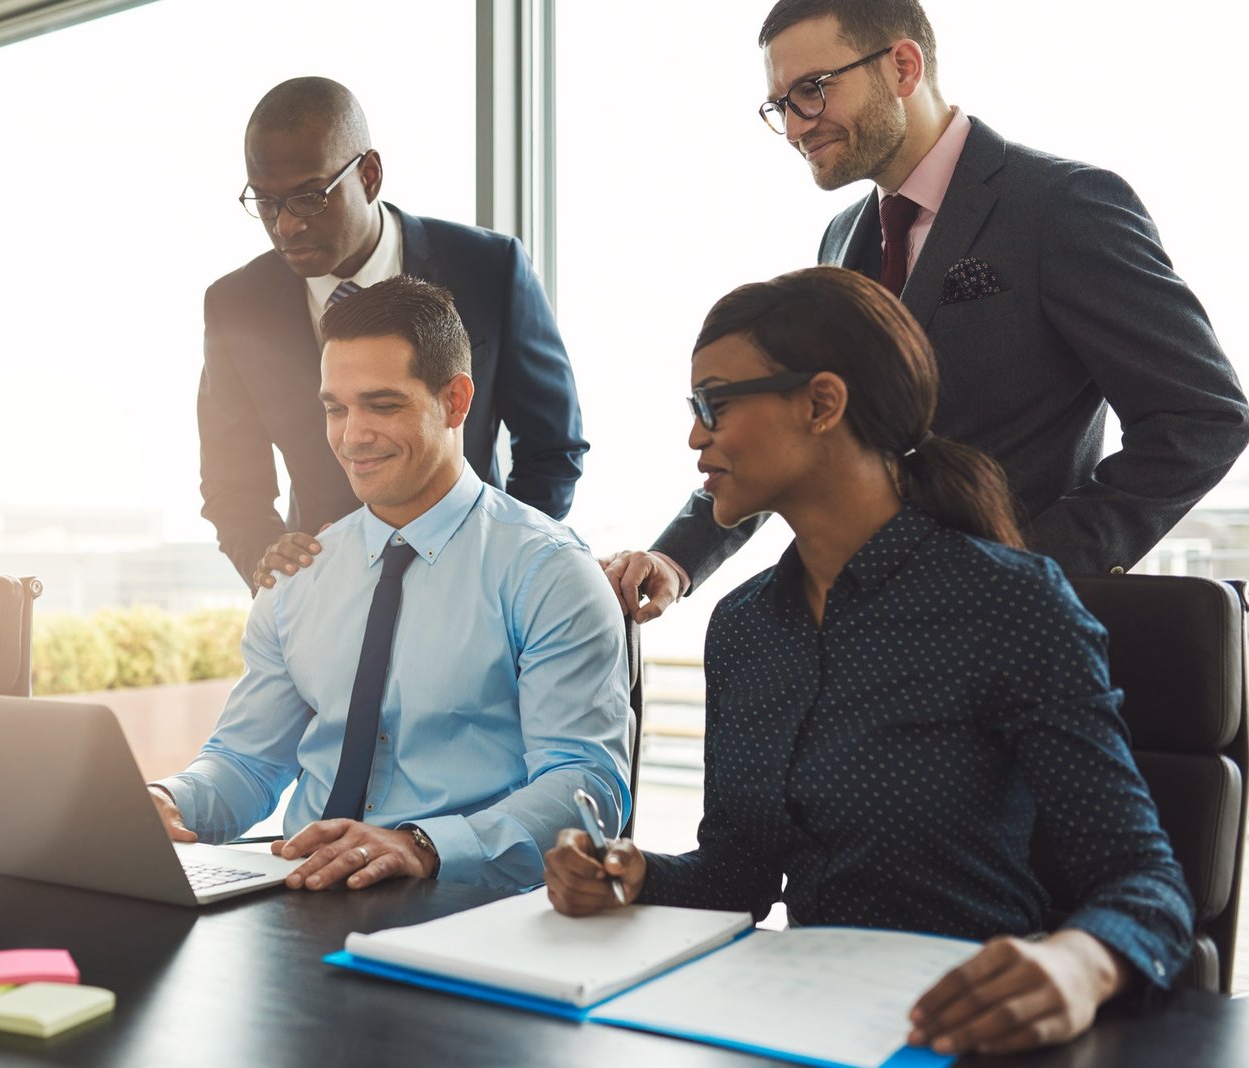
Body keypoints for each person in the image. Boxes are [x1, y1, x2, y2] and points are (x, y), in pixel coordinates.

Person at [545, 267, 1193, 1057]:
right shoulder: (745, 628)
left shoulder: (1009, 605)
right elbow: (738, 879)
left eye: (714, 403)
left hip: (971, 1026)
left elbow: (1147, 887)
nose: (695, 436)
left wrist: (1079, 963)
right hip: (805, 1022)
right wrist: (635, 874)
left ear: (822, 403)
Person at [605, 0, 1248, 622]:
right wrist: (676, 557)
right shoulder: (841, 240)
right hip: (866, 625)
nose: (797, 125)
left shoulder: (1062, 206)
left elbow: (1202, 418)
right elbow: (804, 434)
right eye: (781, 105)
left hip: (1010, 639)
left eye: (813, 89)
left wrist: (1030, 566)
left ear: (903, 67)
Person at [155, 276, 630, 893]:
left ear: (456, 401)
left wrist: (424, 846)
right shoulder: (301, 574)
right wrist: (169, 798)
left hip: (470, 909)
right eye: (335, 408)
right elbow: (247, 762)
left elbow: (584, 786)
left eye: (382, 405)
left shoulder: (549, 571)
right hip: (301, 897)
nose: (352, 436)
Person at [200, 76, 587, 592]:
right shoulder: (236, 305)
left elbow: (552, 447)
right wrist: (268, 560)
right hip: (323, 591)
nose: (285, 226)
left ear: (369, 174)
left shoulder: (490, 269)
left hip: (476, 584)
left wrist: (503, 559)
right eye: (265, 202)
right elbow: (231, 482)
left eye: (308, 198)